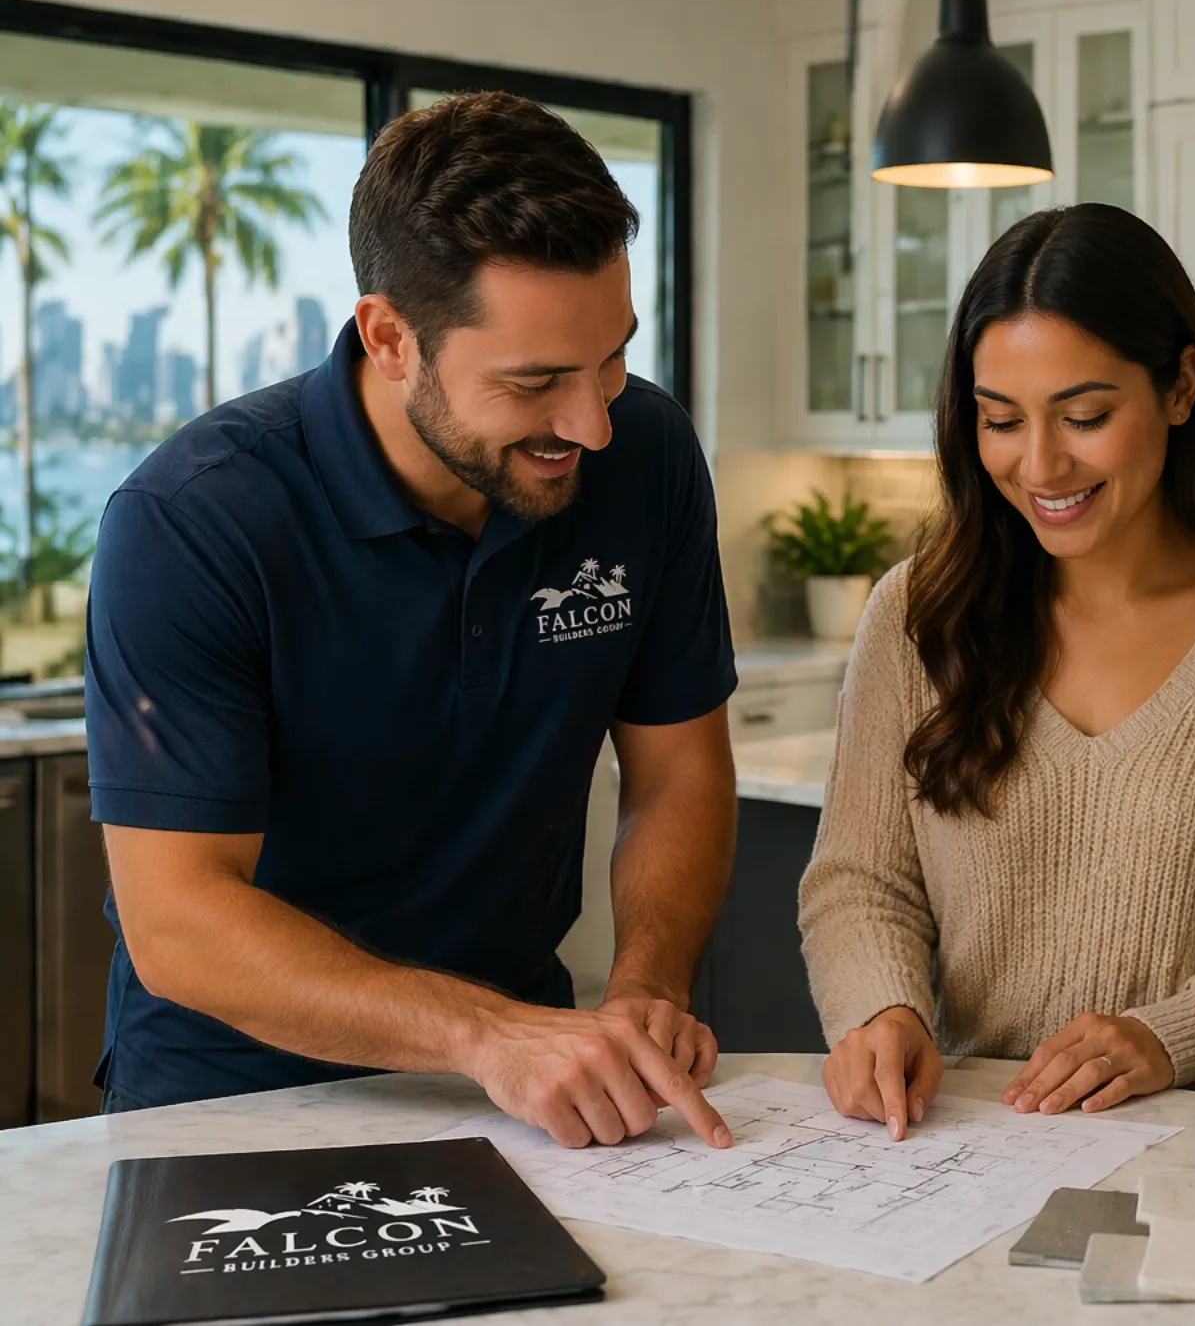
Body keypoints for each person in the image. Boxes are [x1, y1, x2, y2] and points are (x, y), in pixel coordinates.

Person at [85, 92, 739, 1151]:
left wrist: (643, 986)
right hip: (228, 1101)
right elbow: (178, 919)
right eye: (535, 382)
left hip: (529, 1084)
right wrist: (484, 1035)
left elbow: (677, 774)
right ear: (390, 338)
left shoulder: (644, 454)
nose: (589, 420)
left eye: (610, 356)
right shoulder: (195, 521)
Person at [798, 203, 1195, 1137]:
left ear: (1180, 387)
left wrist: (1170, 1038)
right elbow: (859, 879)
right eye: (1000, 419)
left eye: (1084, 416)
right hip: (970, 1148)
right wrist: (882, 1009)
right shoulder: (918, 615)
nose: (1040, 463)